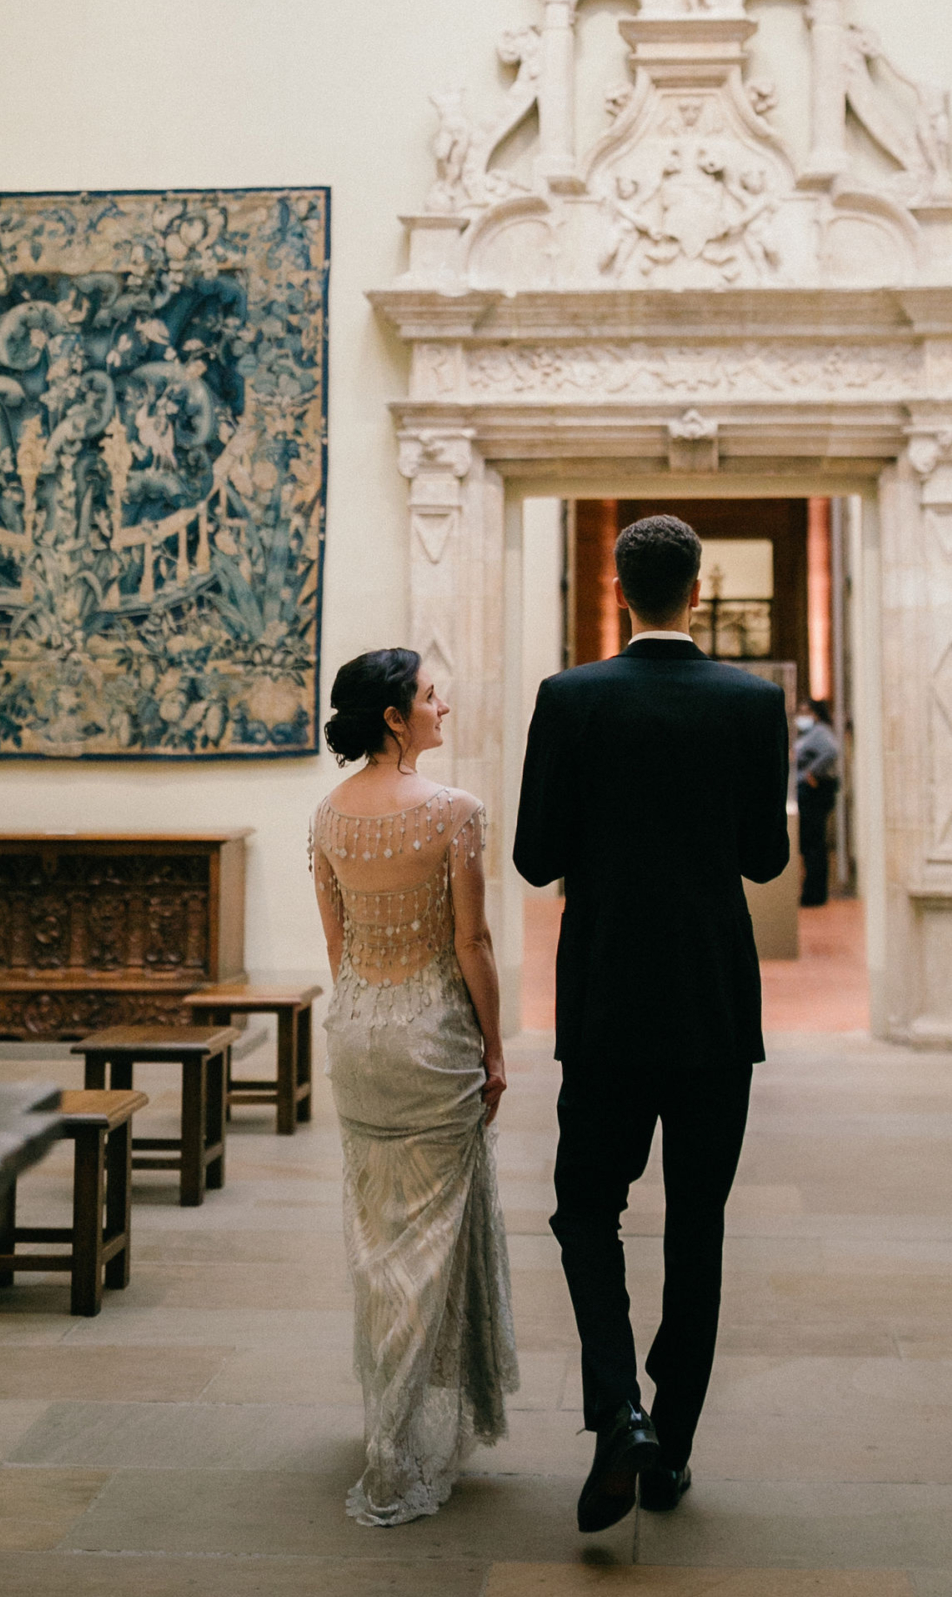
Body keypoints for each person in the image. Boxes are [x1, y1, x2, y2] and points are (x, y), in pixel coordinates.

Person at [514, 515, 789, 1531]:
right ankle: (669, 1447)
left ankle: (615, 1408)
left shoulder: (571, 698)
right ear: (698, 588)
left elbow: (536, 856)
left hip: (606, 997)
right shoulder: (754, 703)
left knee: (586, 1206)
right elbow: (764, 859)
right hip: (714, 999)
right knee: (699, 1222)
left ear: (619, 588)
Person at [310, 649, 519, 1526]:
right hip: (432, 1041)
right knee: (435, 1239)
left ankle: (387, 1417)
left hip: (358, 1038)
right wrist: (496, 1048)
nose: (446, 707)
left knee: (378, 1235)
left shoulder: (326, 815)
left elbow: (338, 946)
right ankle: (400, 1435)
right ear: (395, 717)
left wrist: (366, 1010)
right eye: (432, 696)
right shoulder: (453, 813)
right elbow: (472, 946)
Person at [794, 695, 841, 908]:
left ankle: (815, 893)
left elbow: (831, 751)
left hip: (815, 794)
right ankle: (812, 890)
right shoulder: (809, 733)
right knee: (811, 844)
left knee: (814, 843)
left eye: (805, 712)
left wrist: (812, 773)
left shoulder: (820, 732)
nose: (801, 717)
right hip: (808, 792)